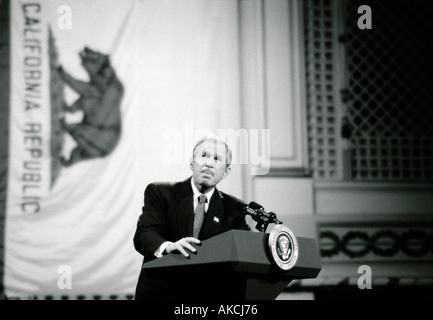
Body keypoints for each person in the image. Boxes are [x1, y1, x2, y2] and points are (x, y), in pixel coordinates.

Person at [133, 135, 251, 300]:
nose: (209, 163)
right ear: (191, 163)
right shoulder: (160, 193)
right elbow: (144, 235)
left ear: (226, 171)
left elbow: (242, 251)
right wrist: (169, 246)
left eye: (217, 159)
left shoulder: (235, 209)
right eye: (204, 156)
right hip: (162, 293)